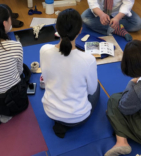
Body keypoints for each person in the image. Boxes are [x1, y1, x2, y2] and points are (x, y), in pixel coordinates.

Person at [40, 8, 100, 138]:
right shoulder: (88, 60)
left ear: (56, 28)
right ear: (80, 30)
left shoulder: (44, 50)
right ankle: (66, 123)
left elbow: (45, 77)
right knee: (97, 87)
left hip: (50, 112)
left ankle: (60, 124)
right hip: (78, 118)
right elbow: (91, 91)